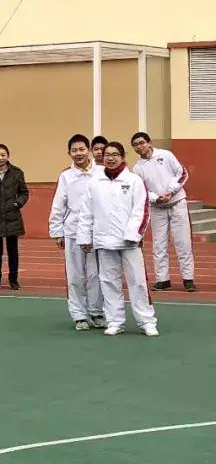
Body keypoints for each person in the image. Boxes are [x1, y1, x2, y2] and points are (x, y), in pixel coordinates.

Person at [76, 141, 158, 337]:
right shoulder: (94, 182)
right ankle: (114, 321)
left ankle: (146, 321)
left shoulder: (134, 181)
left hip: (129, 243)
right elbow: (86, 213)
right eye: (107, 155)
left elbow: (141, 210)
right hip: (104, 241)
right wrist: (85, 238)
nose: (110, 158)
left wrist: (133, 235)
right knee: (108, 282)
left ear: (123, 157)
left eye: (115, 154)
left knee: (138, 282)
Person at [49, 134, 105, 330]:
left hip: (97, 232)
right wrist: (57, 231)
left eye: (82, 149)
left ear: (89, 150)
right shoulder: (66, 176)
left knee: (96, 274)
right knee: (75, 275)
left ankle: (97, 312)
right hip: (72, 232)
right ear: (69, 153)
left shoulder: (102, 172)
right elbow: (58, 205)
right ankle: (79, 315)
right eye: (74, 150)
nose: (78, 153)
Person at [131, 131, 196, 292]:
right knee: (159, 245)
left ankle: (188, 279)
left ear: (149, 142)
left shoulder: (166, 155)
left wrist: (171, 191)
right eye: (136, 145)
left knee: (183, 242)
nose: (140, 146)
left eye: (142, 143)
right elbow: (142, 189)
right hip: (157, 208)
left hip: (177, 203)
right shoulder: (137, 168)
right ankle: (163, 280)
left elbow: (182, 173)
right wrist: (155, 198)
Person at [0, 144, 29, 290]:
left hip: (12, 216)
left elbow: (24, 193)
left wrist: (17, 203)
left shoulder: (17, 173)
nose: (0, 158)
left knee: (12, 251)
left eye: (3, 155)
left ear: (8, 156)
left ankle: (13, 280)